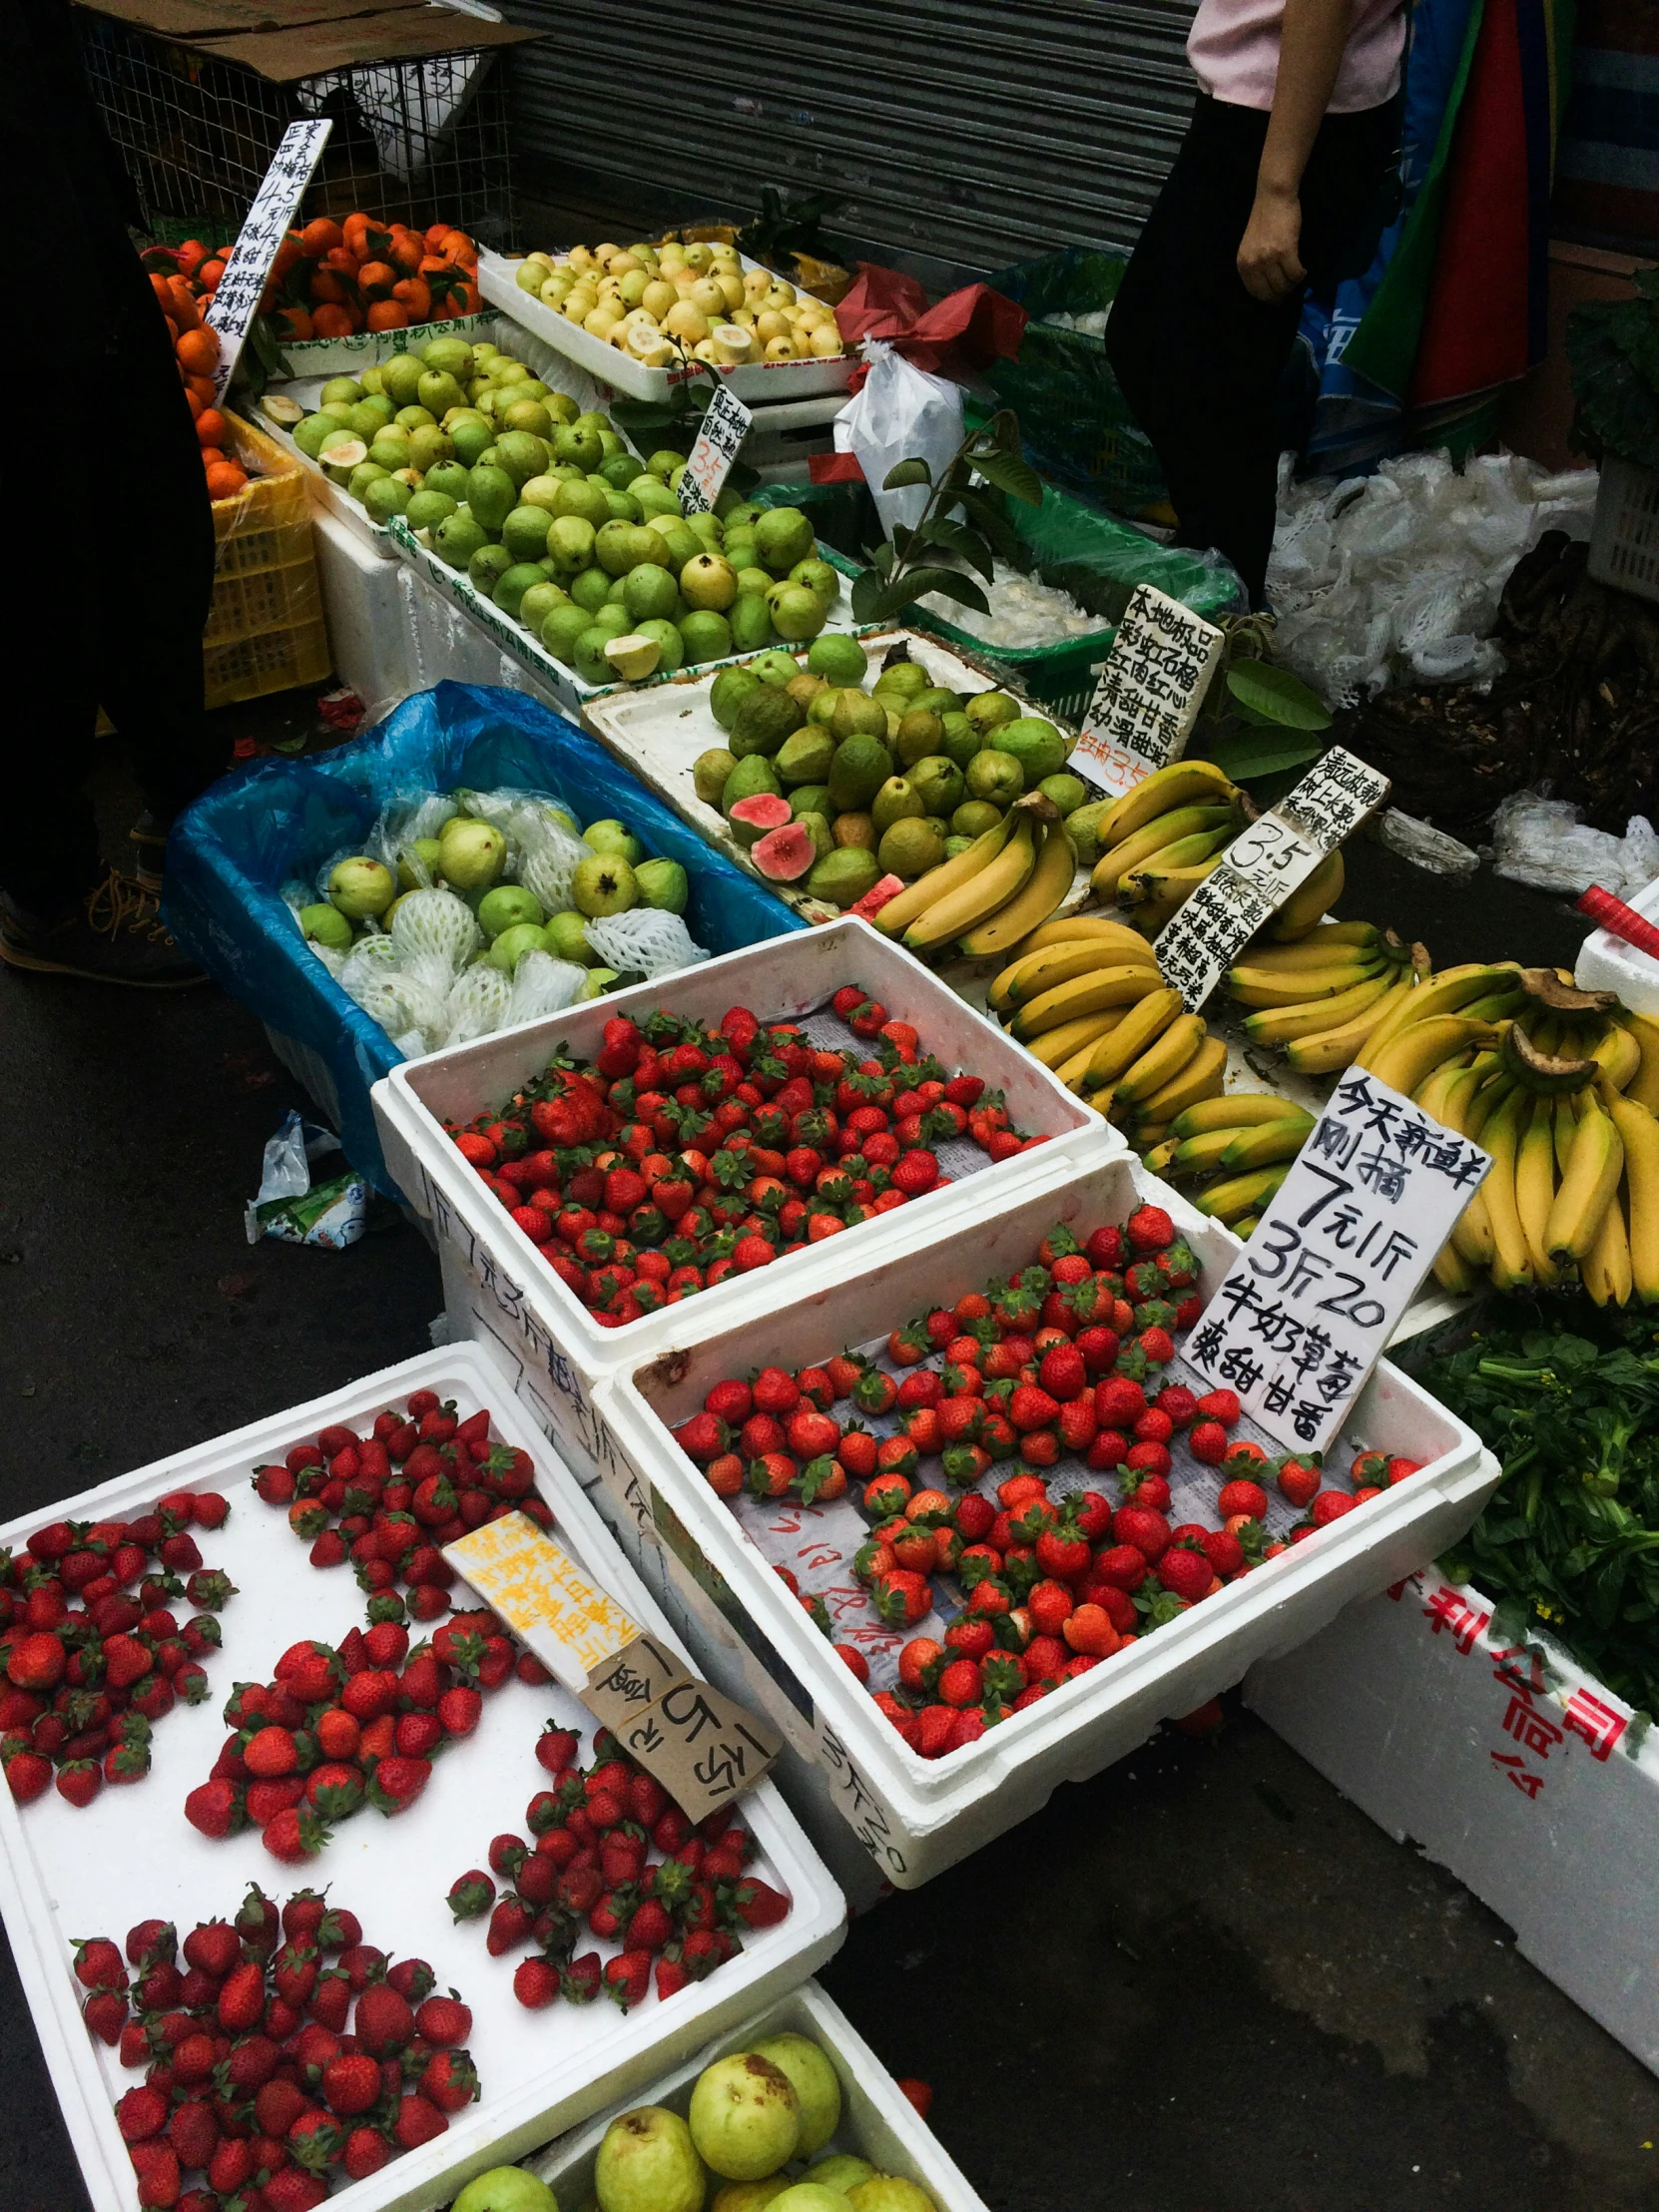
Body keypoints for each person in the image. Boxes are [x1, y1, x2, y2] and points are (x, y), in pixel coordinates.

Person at [0, 0, 223, 985]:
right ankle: (51, 895)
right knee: (39, 590)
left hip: (64, 215)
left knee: (155, 520)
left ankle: (185, 796)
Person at [1105, 0, 1407, 608]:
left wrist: (1277, 190)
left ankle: (1230, 629)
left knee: (1210, 397)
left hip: (1284, 121)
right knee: (1149, 346)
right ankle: (1214, 571)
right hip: (1263, 109)